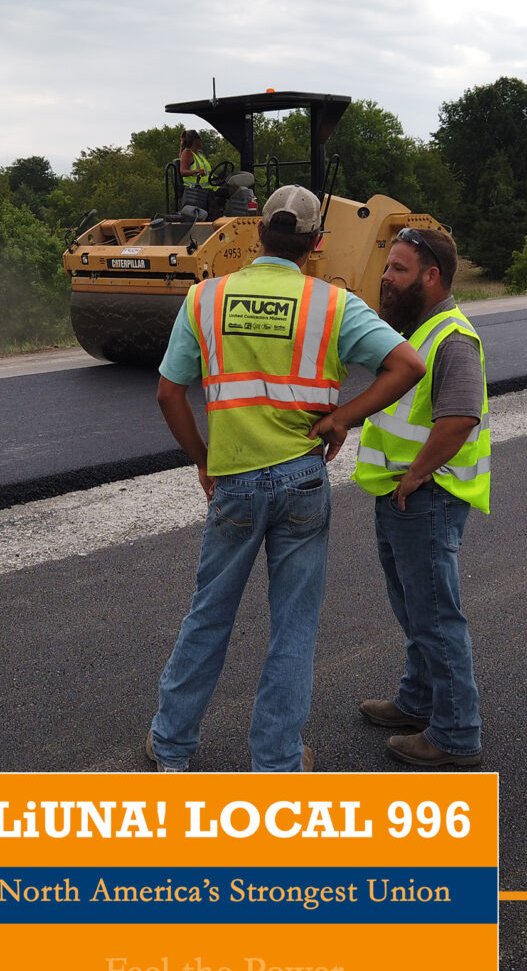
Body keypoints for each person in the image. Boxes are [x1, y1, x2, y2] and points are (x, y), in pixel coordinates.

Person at [147, 185, 424, 772]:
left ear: (254, 234)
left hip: (235, 485)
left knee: (209, 614)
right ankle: (276, 761)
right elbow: (408, 365)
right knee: (293, 627)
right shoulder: (334, 306)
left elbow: (170, 392)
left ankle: (171, 747)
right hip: (301, 480)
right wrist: (343, 417)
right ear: (316, 242)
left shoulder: (205, 298)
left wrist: (203, 458)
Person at [341, 227, 488, 769]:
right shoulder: (415, 332)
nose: (385, 278)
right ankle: (419, 698)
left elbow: (460, 417)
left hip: (424, 496)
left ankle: (455, 732)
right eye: (387, 268)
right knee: (413, 606)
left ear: (431, 277)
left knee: (434, 614)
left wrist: (414, 477)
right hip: (403, 493)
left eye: (398, 270)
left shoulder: (451, 336)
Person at [179, 129, 212, 214]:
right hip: (195, 191)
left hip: (207, 189)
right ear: (195, 141)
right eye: (199, 139)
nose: (201, 142)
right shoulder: (187, 153)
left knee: (228, 189)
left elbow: (206, 171)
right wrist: (196, 171)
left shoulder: (199, 154)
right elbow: (183, 172)